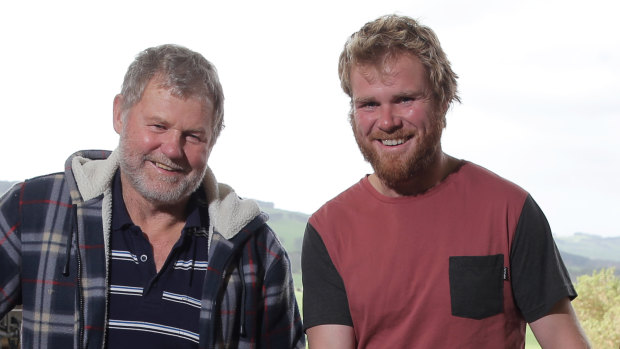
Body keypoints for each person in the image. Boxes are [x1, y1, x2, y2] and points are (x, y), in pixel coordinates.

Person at [302, 15, 590, 348]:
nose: (387, 121)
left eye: (405, 99)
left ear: (443, 99)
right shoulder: (329, 229)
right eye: (368, 104)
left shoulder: (510, 210)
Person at [0, 44, 304, 348]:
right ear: (120, 114)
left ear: (213, 140)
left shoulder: (259, 251)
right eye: (158, 126)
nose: (172, 149)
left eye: (193, 136)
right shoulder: (35, 210)